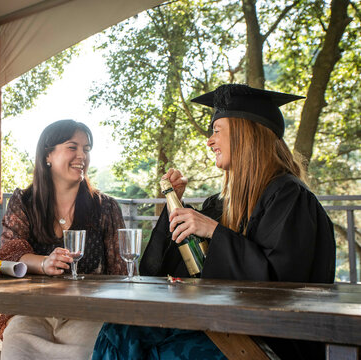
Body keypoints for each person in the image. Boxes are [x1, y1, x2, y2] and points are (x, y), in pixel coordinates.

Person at [92, 84, 336, 360]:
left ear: (247, 134)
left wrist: (214, 231)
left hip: (265, 341)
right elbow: (156, 274)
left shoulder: (290, 198)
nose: (209, 141)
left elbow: (280, 289)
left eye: (217, 130)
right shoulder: (220, 204)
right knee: (118, 329)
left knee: (157, 352)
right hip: (217, 325)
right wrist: (174, 205)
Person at [0, 119, 127, 360]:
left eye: (86, 149)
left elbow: (121, 270)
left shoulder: (105, 207)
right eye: (72, 147)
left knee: (85, 352)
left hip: (87, 313)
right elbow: (8, 255)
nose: (82, 156)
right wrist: (44, 263)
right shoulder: (24, 202)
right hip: (31, 311)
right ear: (48, 155)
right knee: (16, 350)